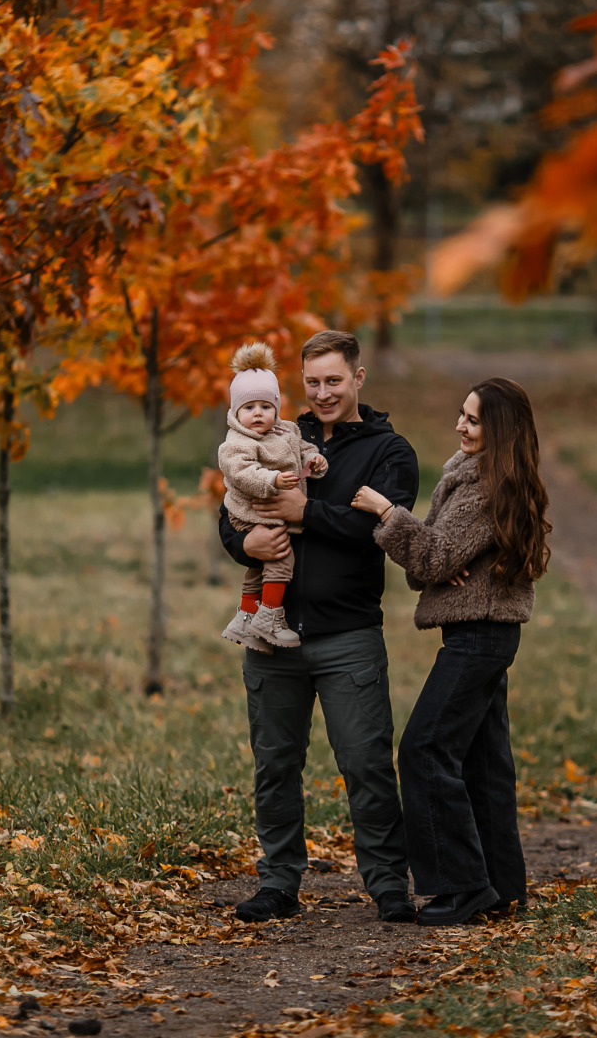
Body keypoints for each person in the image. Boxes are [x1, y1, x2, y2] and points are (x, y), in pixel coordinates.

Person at [218, 329, 420, 924]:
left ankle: (387, 884)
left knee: (365, 763)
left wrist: (308, 512)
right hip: (270, 633)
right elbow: (233, 503)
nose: (323, 393)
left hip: (347, 635)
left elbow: (376, 529)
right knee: (275, 764)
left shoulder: (389, 451)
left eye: (334, 380)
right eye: (312, 383)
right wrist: (243, 542)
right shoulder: (276, 431)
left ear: (358, 378)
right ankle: (279, 882)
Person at [352, 377, 551, 926]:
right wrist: (435, 557)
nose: (460, 426)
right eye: (461, 415)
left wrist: (386, 512)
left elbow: (433, 557)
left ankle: (462, 887)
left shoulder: (487, 485)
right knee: (483, 764)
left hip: (481, 634)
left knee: (424, 749)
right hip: (479, 632)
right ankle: (502, 886)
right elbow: (435, 561)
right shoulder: (484, 479)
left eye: (474, 419)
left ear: (500, 430)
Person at [217, 342, 328, 652]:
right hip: (252, 513)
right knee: (281, 558)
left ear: (277, 409)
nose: (258, 414)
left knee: (258, 568)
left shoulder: (286, 430)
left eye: (266, 407)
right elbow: (242, 474)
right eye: (249, 408)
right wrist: (273, 480)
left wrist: (315, 459)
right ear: (236, 411)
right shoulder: (236, 443)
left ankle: (247, 617)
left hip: (268, 511)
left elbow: (302, 448)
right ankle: (269, 618)